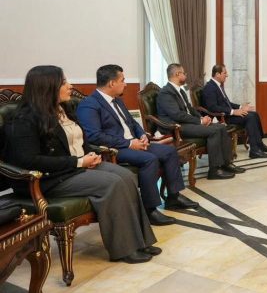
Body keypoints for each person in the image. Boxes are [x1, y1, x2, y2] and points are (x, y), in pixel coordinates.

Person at [3, 65, 159, 264]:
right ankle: (125, 248)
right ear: (48, 87)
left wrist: (90, 154)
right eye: (64, 82)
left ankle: (141, 241)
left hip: (75, 168)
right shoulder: (24, 119)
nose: (70, 86)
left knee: (127, 176)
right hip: (50, 179)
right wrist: (78, 162)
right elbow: (29, 160)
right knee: (113, 183)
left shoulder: (63, 110)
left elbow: (78, 141)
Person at [77, 64, 199, 227]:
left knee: (169, 152)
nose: (126, 84)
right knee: (149, 159)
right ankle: (150, 209)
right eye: (122, 80)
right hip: (115, 149)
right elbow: (94, 136)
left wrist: (142, 135)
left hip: (135, 143)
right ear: (112, 83)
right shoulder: (89, 104)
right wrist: (129, 143)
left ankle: (173, 197)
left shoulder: (117, 101)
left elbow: (132, 123)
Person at [156, 63, 245, 180]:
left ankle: (226, 164)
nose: (185, 75)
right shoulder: (166, 93)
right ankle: (214, 170)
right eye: (184, 73)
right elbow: (177, 115)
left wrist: (202, 118)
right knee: (214, 131)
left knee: (221, 127)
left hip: (188, 123)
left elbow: (190, 109)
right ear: (177, 74)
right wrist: (199, 121)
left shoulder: (180, 91)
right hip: (177, 127)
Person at [202, 64, 267, 159]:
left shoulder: (217, 85)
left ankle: (259, 144)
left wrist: (241, 107)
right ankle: (254, 150)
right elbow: (213, 107)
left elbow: (227, 103)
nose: (227, 75)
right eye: (225, 73)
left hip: (228, 114)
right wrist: (233, 112)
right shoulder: (210, 87)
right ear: (217, 74)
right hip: (224, 117)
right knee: (250, 117)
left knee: (254, 114)